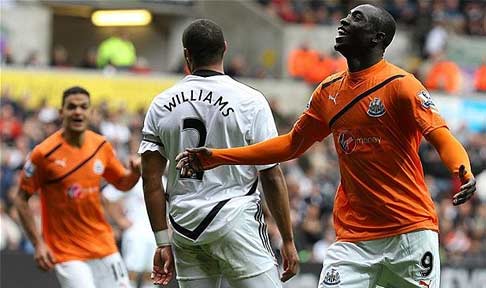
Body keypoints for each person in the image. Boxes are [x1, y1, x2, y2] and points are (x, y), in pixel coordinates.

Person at [176, 5, 477, 288]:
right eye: (346, 16)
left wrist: (461, 170)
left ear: (378, 38)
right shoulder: (328, 92)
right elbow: (291, 145)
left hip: (409, 232)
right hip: (352, 239)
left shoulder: (401, 85)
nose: (345, 21)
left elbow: (441, 135)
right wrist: (217, 157)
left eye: (356, 18)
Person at [139, 19, 299, 288]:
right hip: (234, 219)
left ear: (186, 54)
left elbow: (151, 180)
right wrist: (288, 239)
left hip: (184, 226)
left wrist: (161, 241)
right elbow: (270, 175)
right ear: (225, 49)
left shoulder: (161, 103)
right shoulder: (250, 100)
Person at [13, 86, 141, 288]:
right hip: (67, 251)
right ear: (61, 112)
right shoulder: (43, 154)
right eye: (72, 107)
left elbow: (122, 183)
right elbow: (21, 199)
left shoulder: (101, 146)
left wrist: (135, 173)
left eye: (83, 107)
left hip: (103, 244)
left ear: (90, 112)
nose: (78, 112)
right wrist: (38, 243)